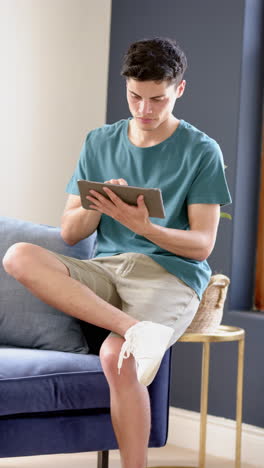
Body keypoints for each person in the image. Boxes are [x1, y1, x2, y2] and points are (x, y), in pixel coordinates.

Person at [3, 37, 232, 468]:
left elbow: (203, 245)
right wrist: (100, 202)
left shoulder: (202, 151)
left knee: (117, 355)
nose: (144, 110)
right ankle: (137, 329)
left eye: (157, 99)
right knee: (18, 256)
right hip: (106, 268)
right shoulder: (99, 142)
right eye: (135, 97)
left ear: (179, 90)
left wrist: (143, 227)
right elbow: (70, 234)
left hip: (169, 273)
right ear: (125, 86)